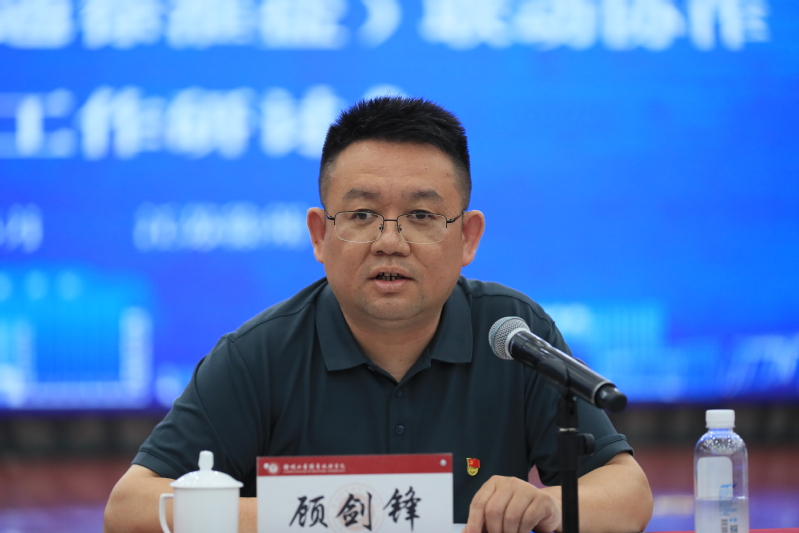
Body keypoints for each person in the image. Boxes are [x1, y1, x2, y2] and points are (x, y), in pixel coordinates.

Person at [104, 97, 653, 533]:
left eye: (421, 215)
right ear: (320, 235)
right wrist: (320, 513)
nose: (390, 241)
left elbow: (628, 494)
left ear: (467, 237)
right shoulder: (261, 354)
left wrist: (547, 505)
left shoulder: (510, 333)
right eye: (363, 214)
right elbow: (130, 507)